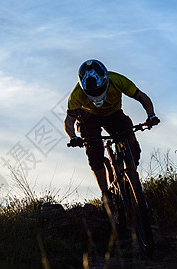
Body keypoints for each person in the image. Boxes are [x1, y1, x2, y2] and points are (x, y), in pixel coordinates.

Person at [65, 59, 160, 197]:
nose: (97, 94)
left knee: (130, 140)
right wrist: (73, 137)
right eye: (92, 92)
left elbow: (141, 96)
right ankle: (106, 195)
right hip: (89, 118)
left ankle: (128, 172)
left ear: (106, 81)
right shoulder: (76, 94)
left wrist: (151, 115)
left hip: (113, 114)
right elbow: (69, 122)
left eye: (100, 89)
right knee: (94, 153)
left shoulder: (117, 80)